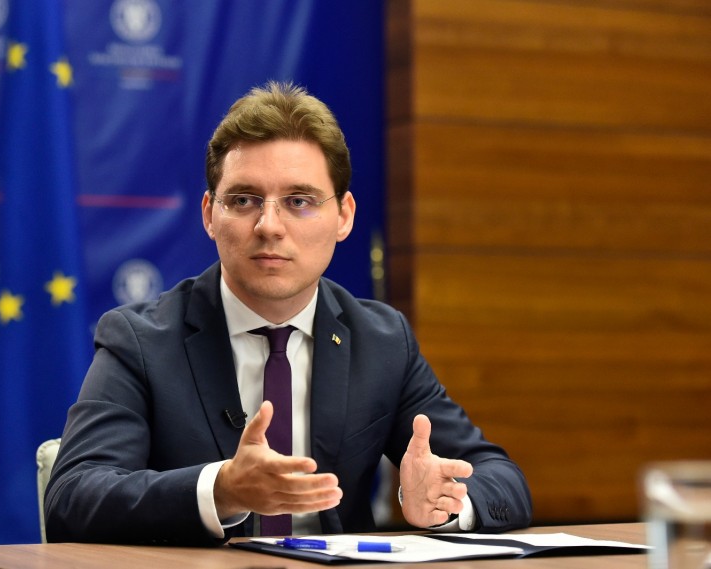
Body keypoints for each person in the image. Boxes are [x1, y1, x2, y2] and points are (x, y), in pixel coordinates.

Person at [44, 81, 532, 546]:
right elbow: (73, 496)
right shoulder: (140, 340)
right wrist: (221, 490)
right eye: (244, 200)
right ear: (210, 214)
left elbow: (501, 479)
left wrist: (449, 499)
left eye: (299, 201)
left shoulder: (381, 340)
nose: (269, 226)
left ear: (344, 216)